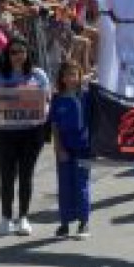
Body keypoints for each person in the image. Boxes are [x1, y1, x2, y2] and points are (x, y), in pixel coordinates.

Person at [0, 39, 50, 236]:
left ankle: (23, 217)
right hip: (8, 133)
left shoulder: (38, 74)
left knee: (26, 175)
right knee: (7, 177)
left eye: (21, 51)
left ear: (27, 53)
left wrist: (40, 107)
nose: (17, 56)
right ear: (7, 55)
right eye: (13, 52)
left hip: (32, 133)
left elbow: (47, 100)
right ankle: (6, 217)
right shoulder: (0, 76)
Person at [50, 60, 91, 239]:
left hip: (83, 147)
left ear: (80, 76)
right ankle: (65, 223)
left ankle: (83, 222)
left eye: (74, 74)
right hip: (64, 148)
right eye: (67, 75)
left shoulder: (86, 96)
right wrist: (58, 148)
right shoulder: (57, 99)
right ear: (62, 78)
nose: (71, 78)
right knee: (65, 186)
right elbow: (54, 126)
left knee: (81, 185)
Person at [90, 0, 120, 92]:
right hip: (105, 16)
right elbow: (94, 1)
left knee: (114, 53)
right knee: (106, 53)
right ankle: (105, 86)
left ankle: (112, 86)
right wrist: (97, 18)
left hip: (114, 17)